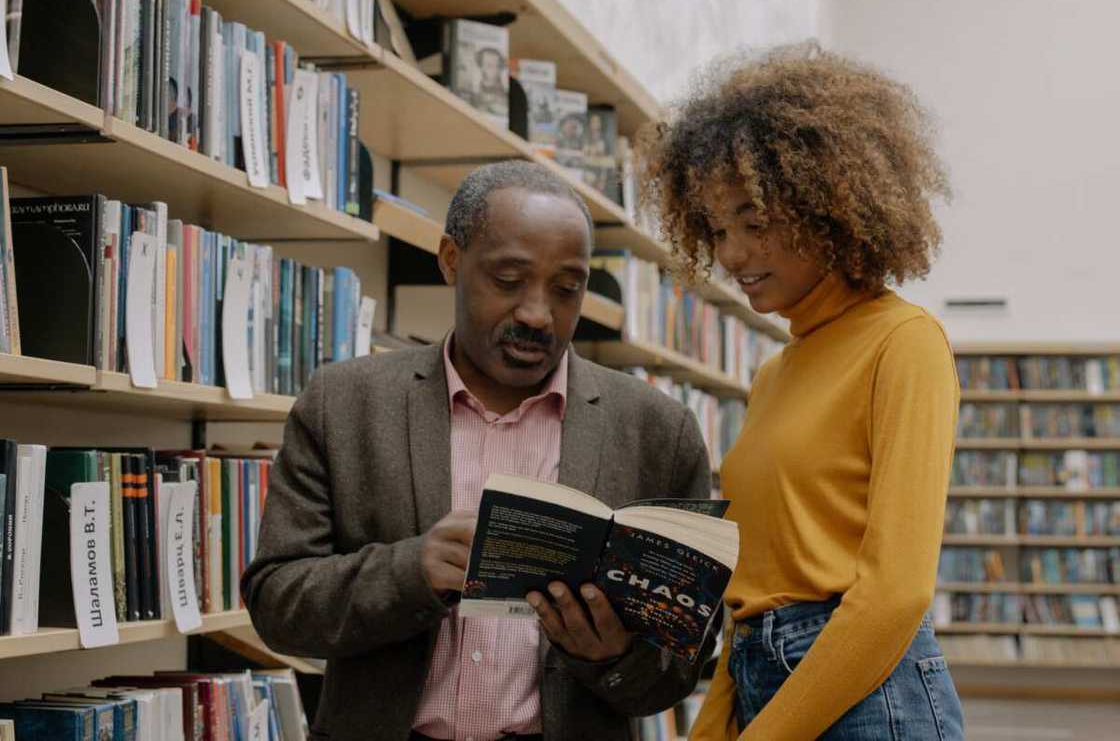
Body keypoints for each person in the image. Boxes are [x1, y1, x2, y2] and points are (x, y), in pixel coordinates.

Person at [242, 160, 714, 741]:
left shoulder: (658, 432)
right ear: (450, 260)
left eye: (567, 289)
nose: (538, 314)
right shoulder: (343, 404)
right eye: (509, 280)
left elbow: (678, 669)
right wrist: (410, 572)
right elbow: (276, 604)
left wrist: (612, 655)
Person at [637, 43, 965, 739]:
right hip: (764, 676)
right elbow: (756, 587)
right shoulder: (772, 373)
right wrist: (717, 721)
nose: (730, 255)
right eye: (718, 230)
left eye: (754, 223)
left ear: (828, 208)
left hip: (868, 694)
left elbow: (895, 593)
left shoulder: (903, 342)